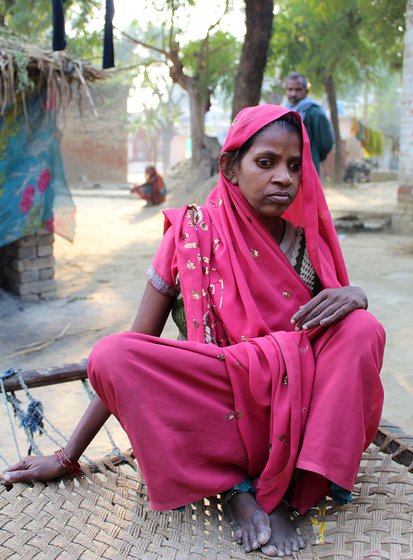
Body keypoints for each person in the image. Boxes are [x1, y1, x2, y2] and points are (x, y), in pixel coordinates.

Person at [3, 105, 385, 558]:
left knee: (363, 329)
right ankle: (236, 488)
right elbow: (130, 352)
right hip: (220, 406)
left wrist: (355, 295)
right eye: (266, 162)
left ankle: (291, 492)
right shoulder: (190, 232)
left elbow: (335, 342)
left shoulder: (306, 241)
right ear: (230, 168)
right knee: (111, 355)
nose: (283, 177)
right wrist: (68, 456)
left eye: (294, 165)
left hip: (296, 407)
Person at [285, 73, 334, 175]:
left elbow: (326, 143)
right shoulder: (283, 111)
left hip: (307, 167)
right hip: (285, 166)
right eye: (290, 89)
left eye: (298, 89)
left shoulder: (315, 113)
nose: (293, 93)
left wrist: (314, 156)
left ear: (306, 91)